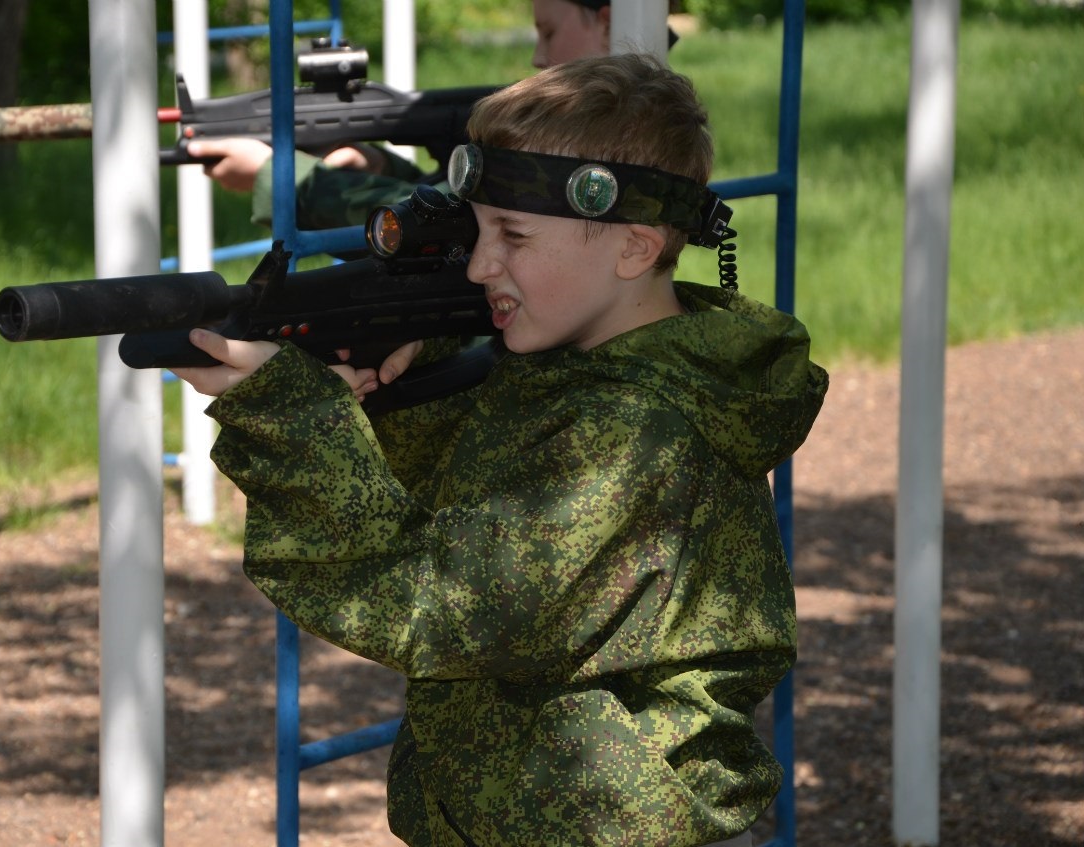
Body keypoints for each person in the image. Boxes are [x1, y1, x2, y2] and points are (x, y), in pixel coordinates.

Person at [173, 52, 828, 846]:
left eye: (512, 234)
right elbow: (466, 497)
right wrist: (405, 386)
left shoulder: (632, 432)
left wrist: (288, 417)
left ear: (633, 248)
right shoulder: (582, 373)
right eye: (479, 230)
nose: (482, 263)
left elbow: (427, 600)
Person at [186, 0, 670, 231]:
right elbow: (457, 197)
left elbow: (451, 224)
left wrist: (279, 178)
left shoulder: (601, 143)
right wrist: (380, 167)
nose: (537, 58)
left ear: (608, 23)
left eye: (548, 33)